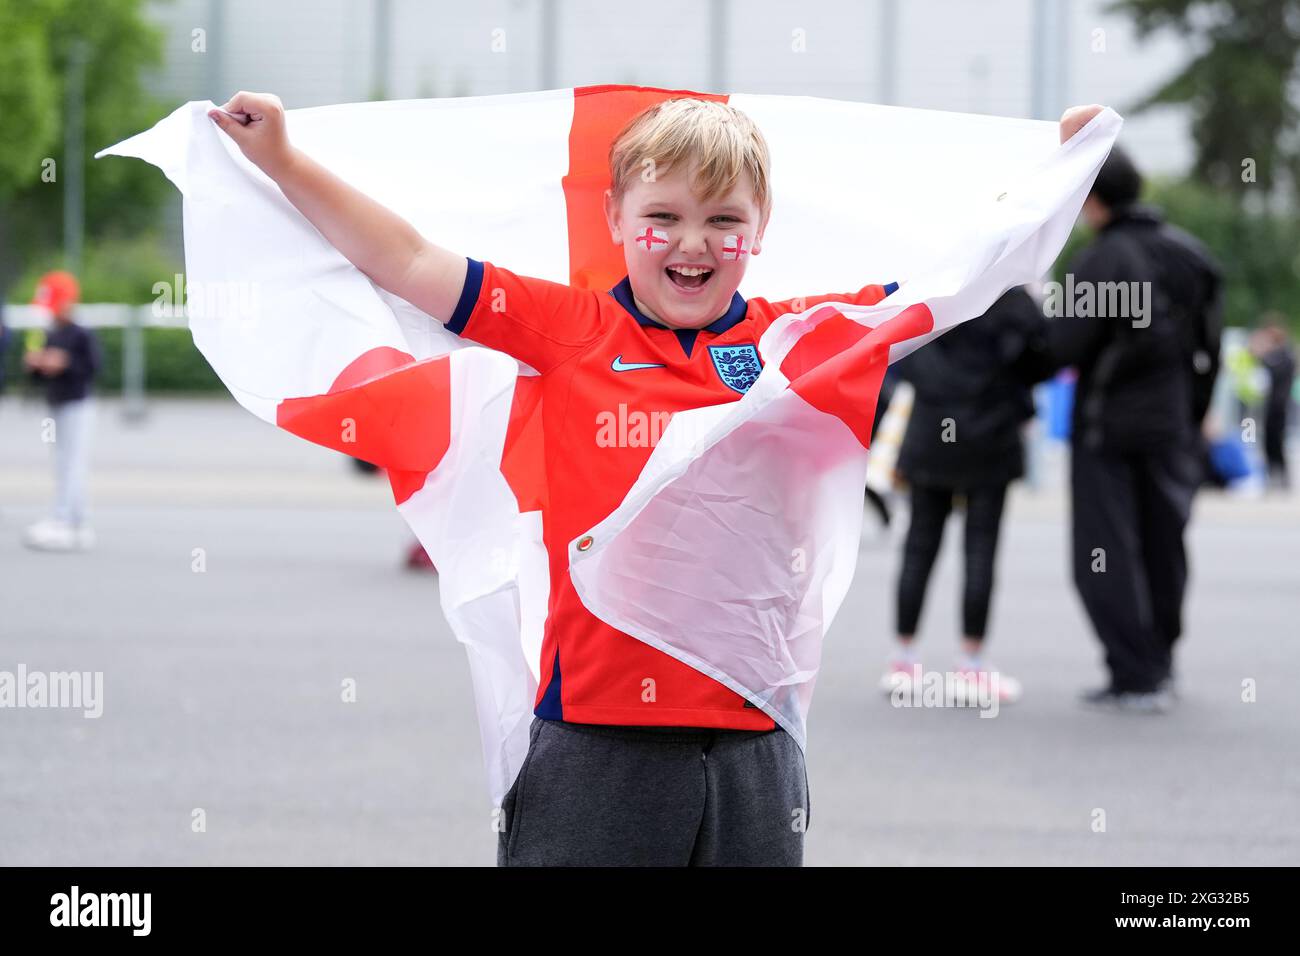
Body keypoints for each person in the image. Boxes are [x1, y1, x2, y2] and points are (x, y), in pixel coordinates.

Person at [208, 91, 1103, 865]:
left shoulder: (796, 342)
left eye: (724, 223)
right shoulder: (569, 329)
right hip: (594, 742)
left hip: (755, 740)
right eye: (663, 216)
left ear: (760, 232)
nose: (692, 243)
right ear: (614, 220)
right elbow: (403, 259)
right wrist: (281, 156)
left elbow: (957, 276)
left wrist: (1060, 169)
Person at [1022, 147, 1222, 713]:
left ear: (1093, 201)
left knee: (1103, 552)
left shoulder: (1101, 261)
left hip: (1107, 429)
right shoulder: (1192, 256)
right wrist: (1191, 412)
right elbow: (1210, 348)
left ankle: (1133, 673)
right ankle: (1159, 664)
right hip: (1172, 427)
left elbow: (1060, 348)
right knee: (1165, 543)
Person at [882, 287, 1042, 703]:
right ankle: (970, 664)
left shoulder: (940, 290)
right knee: (981, 548)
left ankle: (904, 661)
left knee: (919, 546)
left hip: (932, 431)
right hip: (992, 435)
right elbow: (1040, 359)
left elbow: (900, 354)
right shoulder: (1012, 299)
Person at [22, 271, 101, 551]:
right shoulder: (49, 333)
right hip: (56, 403)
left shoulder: (81, 333)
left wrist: (65, 363)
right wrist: (36, 365)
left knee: (73, 463)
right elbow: (39, 376)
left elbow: (93, 369)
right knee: (62, 462)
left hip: (78, 405)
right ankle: (73, 519)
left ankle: (67, 520)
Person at [1251, 318, 1295, 490]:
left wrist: (1260, 352)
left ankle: (1281, 475)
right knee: (1269, 440)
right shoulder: (1277, 356)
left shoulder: (1284, 355)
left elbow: (1271, 365)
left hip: (1280, 405)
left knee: (1277, 440)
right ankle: (1273, 473)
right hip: (1272, 405)